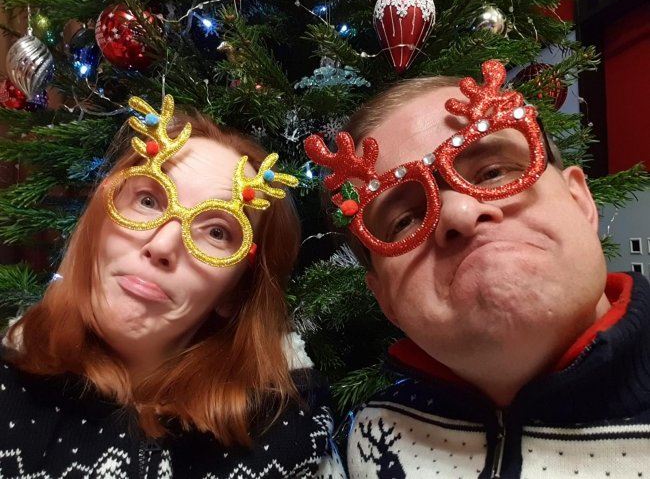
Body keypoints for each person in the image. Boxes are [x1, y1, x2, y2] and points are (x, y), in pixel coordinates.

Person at [305, 60, 650, 478]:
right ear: (385, 301)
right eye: (404, 220)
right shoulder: (375, 440)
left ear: (580, 200)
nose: (461, 213)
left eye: (492, 172)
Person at [0, 95, 345, 478]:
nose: (163, 246)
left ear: (236, 292)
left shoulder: (288, 434)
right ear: (98, 224)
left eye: (217, 232)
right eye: (148, 200)